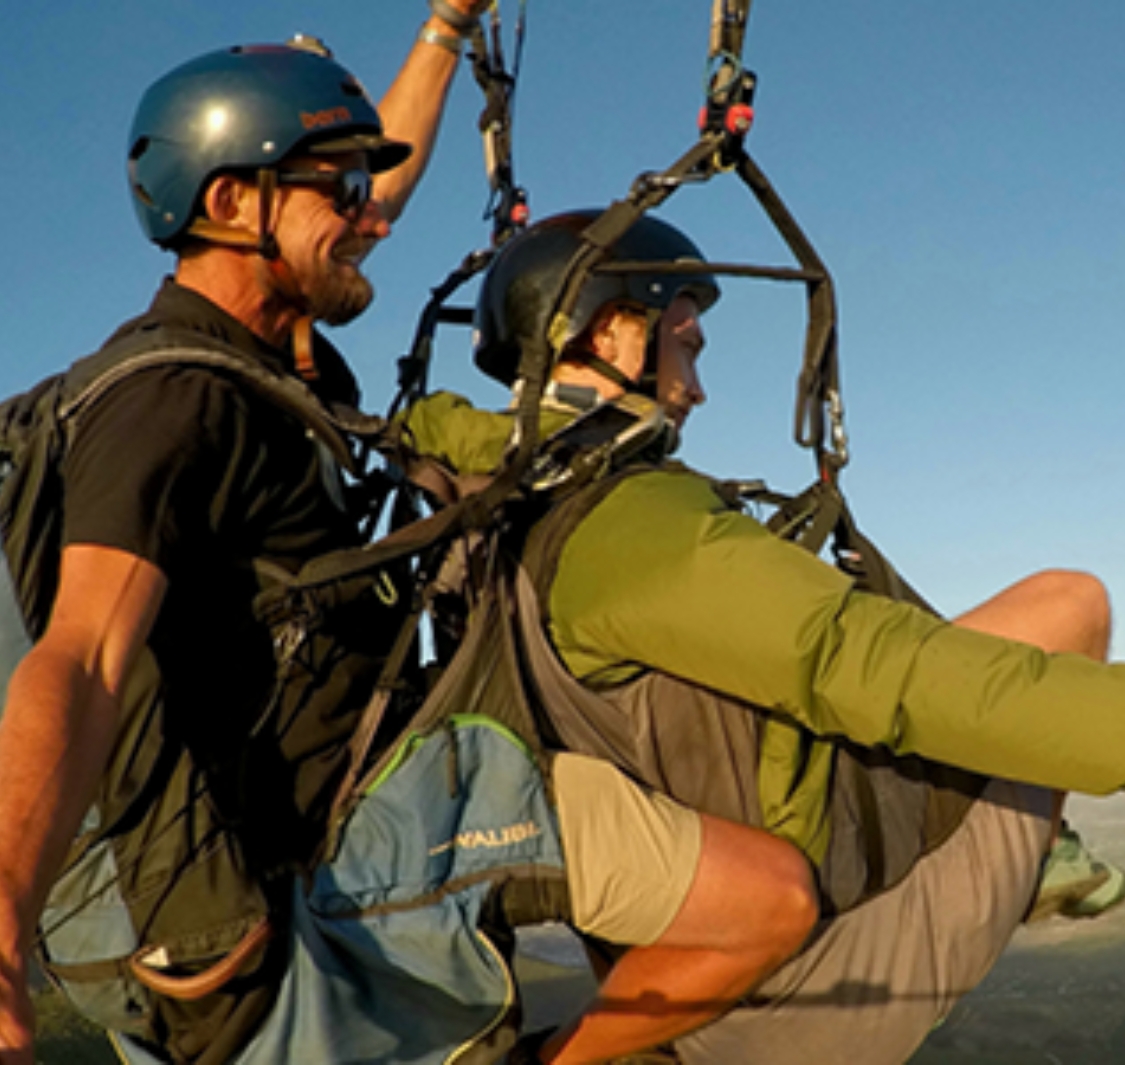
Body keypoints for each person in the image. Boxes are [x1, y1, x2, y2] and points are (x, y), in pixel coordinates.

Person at [0, 24, 825, 1065]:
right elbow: (82, 656)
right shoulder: (172, 403)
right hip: (320, 862)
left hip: (315, 824)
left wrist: (444, 29)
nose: (369, 219)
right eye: (336, 191)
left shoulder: (273, 356)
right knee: (766, 899)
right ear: (228, 205)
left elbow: (377, 198)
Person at [400, 208, 1125, 1062]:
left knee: (1050, 605)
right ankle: (1034, 856)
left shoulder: (496, 503)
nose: (697, 387)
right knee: (1073, 610)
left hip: (670, 948)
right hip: (798, 985)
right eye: (689, 345)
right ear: (611, 331)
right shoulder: (624, 521)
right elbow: (870, 667)